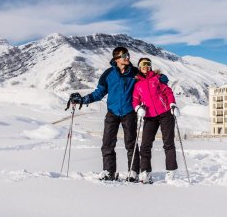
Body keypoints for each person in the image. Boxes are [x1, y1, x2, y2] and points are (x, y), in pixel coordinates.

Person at [67, 47, 168, 182]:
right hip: (112, 112)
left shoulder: (134, 72)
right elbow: (99, 93)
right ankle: (109, 172)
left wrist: (161, 78)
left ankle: (133, 172)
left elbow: (150, 78)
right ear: (116, 58)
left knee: (131, 144)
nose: (128, 57)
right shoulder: (108, 74)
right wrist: (83, 100)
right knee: (107, 143)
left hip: (129, 112)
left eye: (128, 55)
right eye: (124, 55)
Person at [132, 57, 180, 184]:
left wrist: (172, 105)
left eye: (147, 64)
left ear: (150, 66)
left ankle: (171, 171)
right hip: (149, 117)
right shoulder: (137, 85)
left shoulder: (157, 79)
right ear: (139, 67)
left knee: (168, 143)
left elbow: (168, 92)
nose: (145, 66)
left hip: (165, 114)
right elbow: (135, 99)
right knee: (145, 145)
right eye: (142, 64)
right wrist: (137, 108)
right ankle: (145, 172)